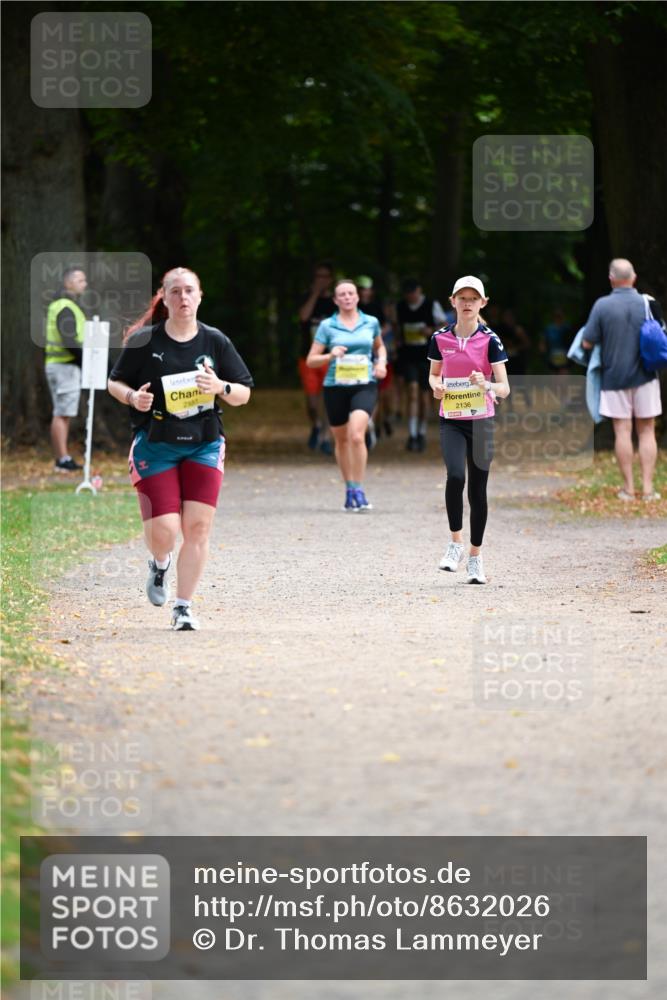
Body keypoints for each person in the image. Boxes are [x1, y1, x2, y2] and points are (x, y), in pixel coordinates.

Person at [108, 267, 253, 630]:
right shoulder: (145, 340)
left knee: (198, 527)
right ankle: (159, 564)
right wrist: (132, 397)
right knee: (166, 532)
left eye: (190, 291)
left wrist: (220, 386)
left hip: (203, 443)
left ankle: (183, 607)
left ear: (200, 296)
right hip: (156, 444)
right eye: (176, 292)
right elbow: (115, 382)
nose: (183, 298)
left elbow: (244, 393)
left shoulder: (215, 341)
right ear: (165, 297)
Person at [428, 276, 509, 584]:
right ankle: (455, 543)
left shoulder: (490, 339)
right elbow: (434, 375)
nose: (467, 303)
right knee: (455, 476)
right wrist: (436, 386)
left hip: (481, 421)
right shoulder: (440, 338)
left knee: (477, 489)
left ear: (482, 303)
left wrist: (485, 384)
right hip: (451, 418)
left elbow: (504, 388)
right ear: (452, 301)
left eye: (473, 298)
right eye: (461, 298)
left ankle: (475, 557)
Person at [582, 258, 663, 501]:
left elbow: (587, 341)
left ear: (611, 279)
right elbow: (661, 334)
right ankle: (648, 489)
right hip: (646, 377)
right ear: (634, 277)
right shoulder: (648, 303)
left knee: (622, 431)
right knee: (647, 431)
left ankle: (628, 489)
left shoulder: (602, 306)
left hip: (614, 377)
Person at [306, 279, 387, 511]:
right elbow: (312, 360)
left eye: (351, 293)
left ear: (358, 297)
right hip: (335, 386)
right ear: (335, 300)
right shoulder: (327, 326)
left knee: (356, 435)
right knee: (341, 440)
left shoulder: (370, 322)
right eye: (342, 294)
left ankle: (360, 489)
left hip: (364, 384)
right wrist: (330, 355)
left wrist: (381, 362)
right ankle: (349, 489)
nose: (347, 297)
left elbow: (379, 347)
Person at [395, 278, 446, 451]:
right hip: (408, 356)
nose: (410, 297)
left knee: (425, 398)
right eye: (407, 294)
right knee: (412, 392)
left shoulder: (432, 305)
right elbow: (397, 328)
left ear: (419, 291)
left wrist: (430, 331)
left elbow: (445, 325)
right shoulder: (400, 307)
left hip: (428, 357)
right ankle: (412, 434)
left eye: (413, 293)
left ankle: (422, 432)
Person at [45, 266, 87, 471]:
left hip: (58, 365)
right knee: (62, 413)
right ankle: (62, 460)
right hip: (64, 367)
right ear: (68, 283)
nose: (84, 284)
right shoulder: (66, 306)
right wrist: (84, 361)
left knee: (63, 412)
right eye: (80, 280)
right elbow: (69, 340)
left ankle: (62, 457)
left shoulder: (60, 305)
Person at [298, 261, 336, 455]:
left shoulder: (336, 302)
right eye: (318, 276)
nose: (321, 280)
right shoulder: (306, 297)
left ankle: (326, 438)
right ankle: (317, 424)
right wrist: (314, 293)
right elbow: (304, 317)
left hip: (330, 358)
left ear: (330, 279)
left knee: (329, 399)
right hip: (308, 357)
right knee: (312, 403)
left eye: (325, 276)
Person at [540, 307, 572, 375]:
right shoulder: (549, 329)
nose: (558, 318)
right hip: (552, 355)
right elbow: (543, 342)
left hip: (564, 356)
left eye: (560, 316)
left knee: (563, 376)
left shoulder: (567, 328)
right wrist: (543, 351)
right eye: (557, 316)